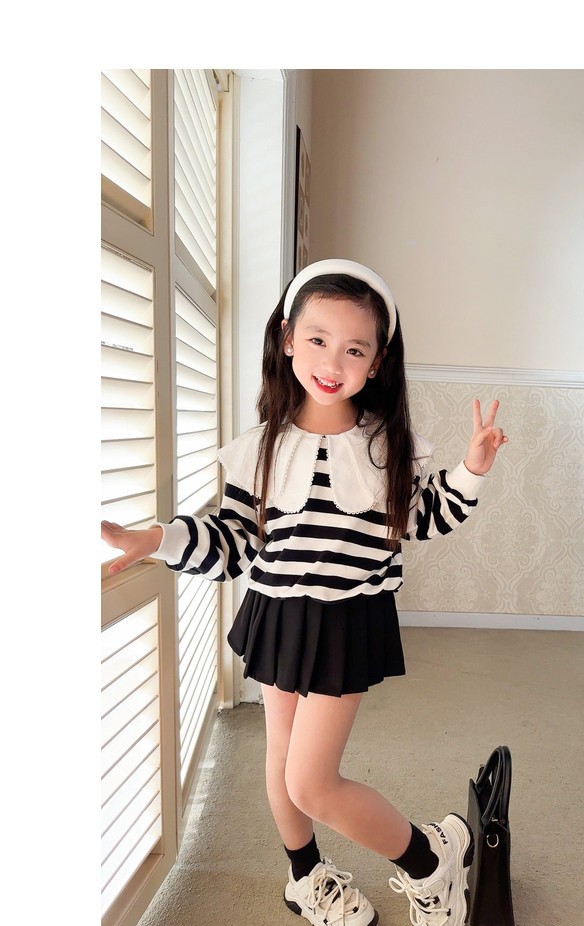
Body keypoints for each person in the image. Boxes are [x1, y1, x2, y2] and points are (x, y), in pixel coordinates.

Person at [101, 259, 508, 926]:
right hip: (276, 613)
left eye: (355, 349)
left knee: (311, 782)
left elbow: (425, 518)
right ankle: (305, 876)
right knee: (282, 762)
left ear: (377, 362)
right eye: (317, 339)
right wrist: (158, 539)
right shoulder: (258, 448)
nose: (333, 362)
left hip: (347, 618)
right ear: (288, 338)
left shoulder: (387, 445)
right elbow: (234, 541)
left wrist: (471, 470)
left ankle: (431, 863)